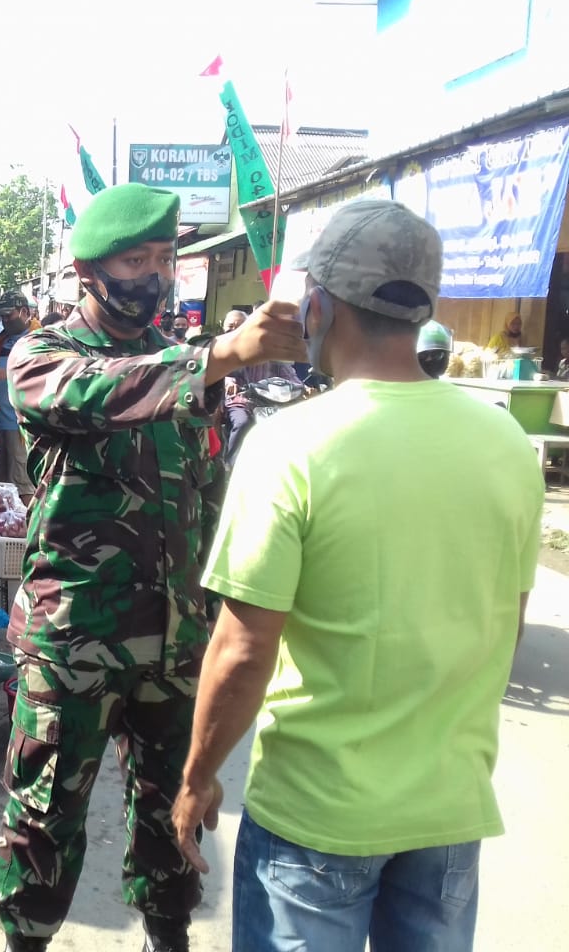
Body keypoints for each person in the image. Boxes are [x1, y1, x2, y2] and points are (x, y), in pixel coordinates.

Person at [173, 199, 545, 952]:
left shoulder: (292, 448)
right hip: (448, 812)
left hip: (318, 817)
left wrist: (197, 777)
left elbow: (243, 652)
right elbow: (503, 621)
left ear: (317, 306)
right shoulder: (507, 443)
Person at [0, 182, 307, 952]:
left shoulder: (185, 362)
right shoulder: (45, 354)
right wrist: (221, 354)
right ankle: (25, 941)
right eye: (137, 257)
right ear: (89, 270)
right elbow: (102, 394)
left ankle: (169, 933)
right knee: (44, 820)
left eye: (165, 257)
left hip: (175, 641)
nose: (155, 273)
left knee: (177, 812)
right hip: (75, 643)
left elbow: (206, 492)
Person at [221, 308, 306, 462]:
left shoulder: (272, 355)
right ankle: (230, 462)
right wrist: (229, 382)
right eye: (231, 326)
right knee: (242, 423)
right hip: (240, 401)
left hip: (270, 403)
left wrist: (302, 388)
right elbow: (223, 373)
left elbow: (290, 375)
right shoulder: (225, 349)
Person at [0, 291, 39, 504]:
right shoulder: (3, 339)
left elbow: (42, 373)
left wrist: (5, 374)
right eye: (2, 317)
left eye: (9, 315)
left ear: (24, 312)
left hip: (22, 423)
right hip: (2, 420)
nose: (5, 320)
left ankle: (29, 528)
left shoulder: (39, 337)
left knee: (22, 482)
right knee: (1, 482)